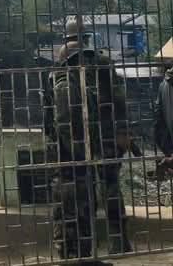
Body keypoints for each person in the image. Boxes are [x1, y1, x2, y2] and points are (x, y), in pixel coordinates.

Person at [43, 21, 132, 261]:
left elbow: (53, 117)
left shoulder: (63, 67)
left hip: (85, 142)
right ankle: (115, 242)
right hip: (102, 138)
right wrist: (122, 131)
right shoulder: (98, 63)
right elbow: (119, 100)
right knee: (103, 189)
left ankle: (96, 247)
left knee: (85, 194)